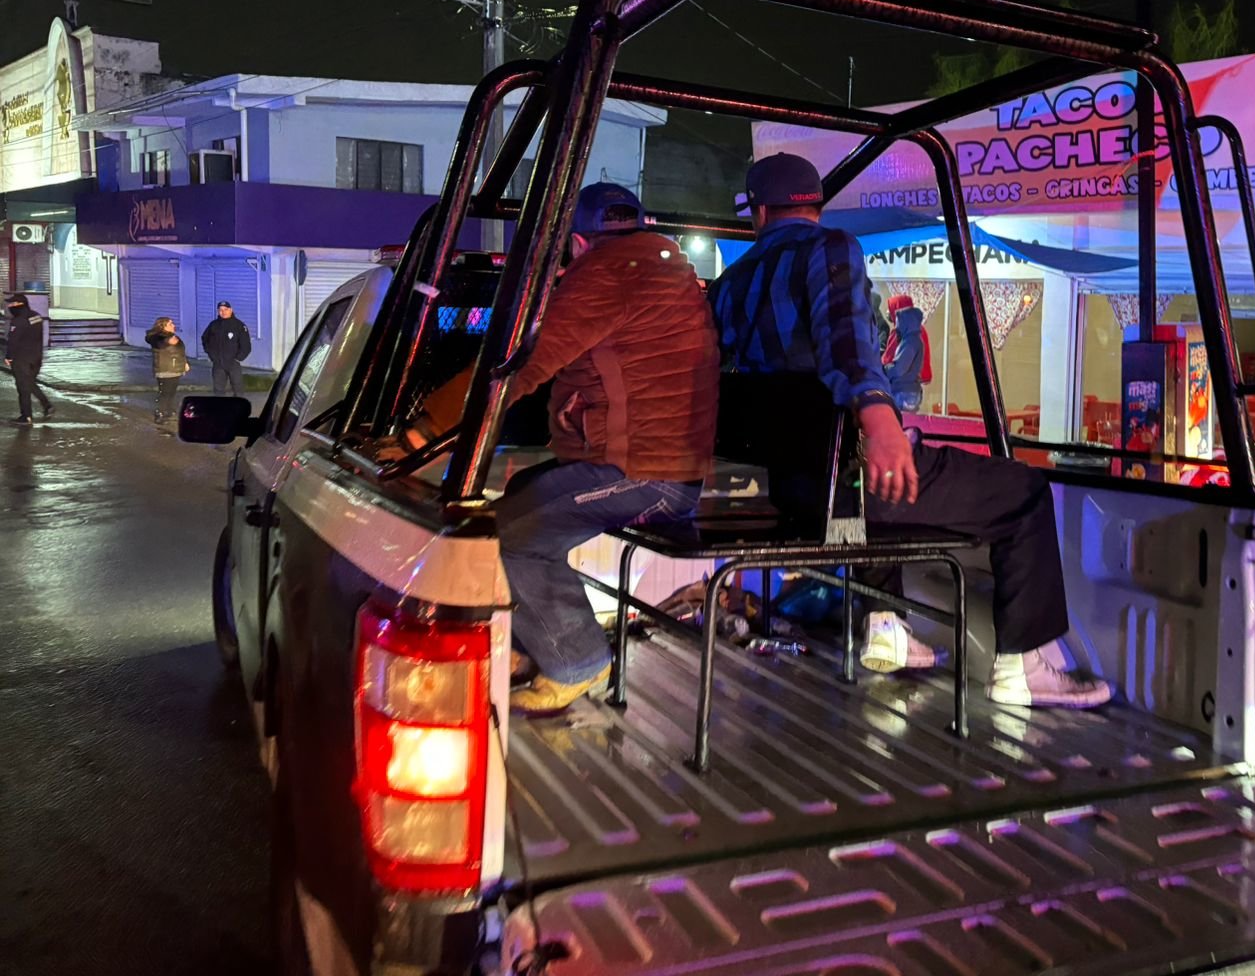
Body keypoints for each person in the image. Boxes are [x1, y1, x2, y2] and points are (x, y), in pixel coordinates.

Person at [710, 153, 1111, 709]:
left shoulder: (731, 284)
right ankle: (1027, 664)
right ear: (816, 206)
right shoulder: (829, 248)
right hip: (845, 479)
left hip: (796, 490)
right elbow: (847, 342)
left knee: (873, 487)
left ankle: (886, 627)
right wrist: (877, 416)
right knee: (1020, 492)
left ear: (758, 212)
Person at [394, 183, 719, 715]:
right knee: (521, 495)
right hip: (654, 464)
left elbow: (518, 364)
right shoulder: (655, 270)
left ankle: (577, 661)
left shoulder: (606, 276)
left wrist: (423, 431)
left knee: (507, 534)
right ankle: (530, 645)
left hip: (645, 473)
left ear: (577, 242)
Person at [4, 294, 52, 425]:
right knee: (29, 383)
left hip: (22, 359)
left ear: (20, 304)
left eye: (12, 304)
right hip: (36, 357)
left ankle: (26, 416)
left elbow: (13, 341)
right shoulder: (36, 316)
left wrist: (9, 356)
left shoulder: (18, 320)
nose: (9, 307)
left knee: (23, 387)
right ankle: (47, 405)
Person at [881, 294, 931, 412]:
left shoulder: (901, 334)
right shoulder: (919, 330)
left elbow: (889, 360)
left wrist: (882, 368)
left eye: (892, 309)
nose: (889, 314)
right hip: (915, 385)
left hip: (901, 388)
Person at [145, 317, 190, 425]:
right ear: (163, 326)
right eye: (170, 324)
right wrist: (167, 341)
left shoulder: (173, 336)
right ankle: (160, 413)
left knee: (171, 393)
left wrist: (185, 363)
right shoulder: (157, 336)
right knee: (165, 393)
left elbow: (179, 351)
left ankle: (168, 411)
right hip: (165, 369)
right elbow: (157, 342)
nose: (173, 325)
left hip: (175, 369)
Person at [201, 301, 251, 396]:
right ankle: (221, 408)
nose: (223, 312)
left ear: (231, 310)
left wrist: (238, 358)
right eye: (220, 310)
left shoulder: (239, 325)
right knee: (218, 389)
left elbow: (246, 345)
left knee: (238, 388)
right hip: (218, 363)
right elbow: (205, 339)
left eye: (226, 309)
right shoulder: (214, 325)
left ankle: (237, 408)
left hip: (233, 363)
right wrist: (211, 354)